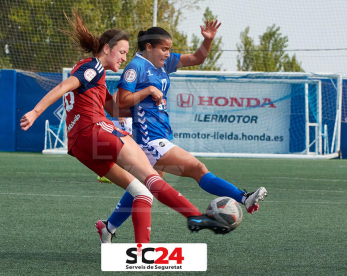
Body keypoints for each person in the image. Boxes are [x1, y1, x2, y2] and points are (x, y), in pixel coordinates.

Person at [20, 11, 230, 244]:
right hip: (95, 131)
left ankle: (141, 251)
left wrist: (148, 104)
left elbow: (118, 109)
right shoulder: (94, 66)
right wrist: (35, 112)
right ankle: (194, 217)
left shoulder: (93, 79)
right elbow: (65, 86)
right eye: (121, 52)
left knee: (141, 192)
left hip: (79, 145)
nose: (123, 58)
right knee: (151, 177)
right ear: (107, 48)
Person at [97, 20, 267, 243]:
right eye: (164, 49)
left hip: (159, 137)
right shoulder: (135, 67)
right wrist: (148, 90)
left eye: (169, 49)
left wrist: (208, 39)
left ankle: (108, 227)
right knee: (197, 168)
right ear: (149, 47)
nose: (168, 54)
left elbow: (197, 58)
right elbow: (121, 102)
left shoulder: (161, 65)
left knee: (144, 187)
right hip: (150, 140)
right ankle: (243, 197)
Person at [97, 91, 132, 184]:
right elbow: (115, 96)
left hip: (125, 119)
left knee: (125, 148)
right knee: (124, 147)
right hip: (124, 119)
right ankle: (109, 173)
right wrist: (119, 113)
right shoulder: (130, 85)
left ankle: (113, 173)